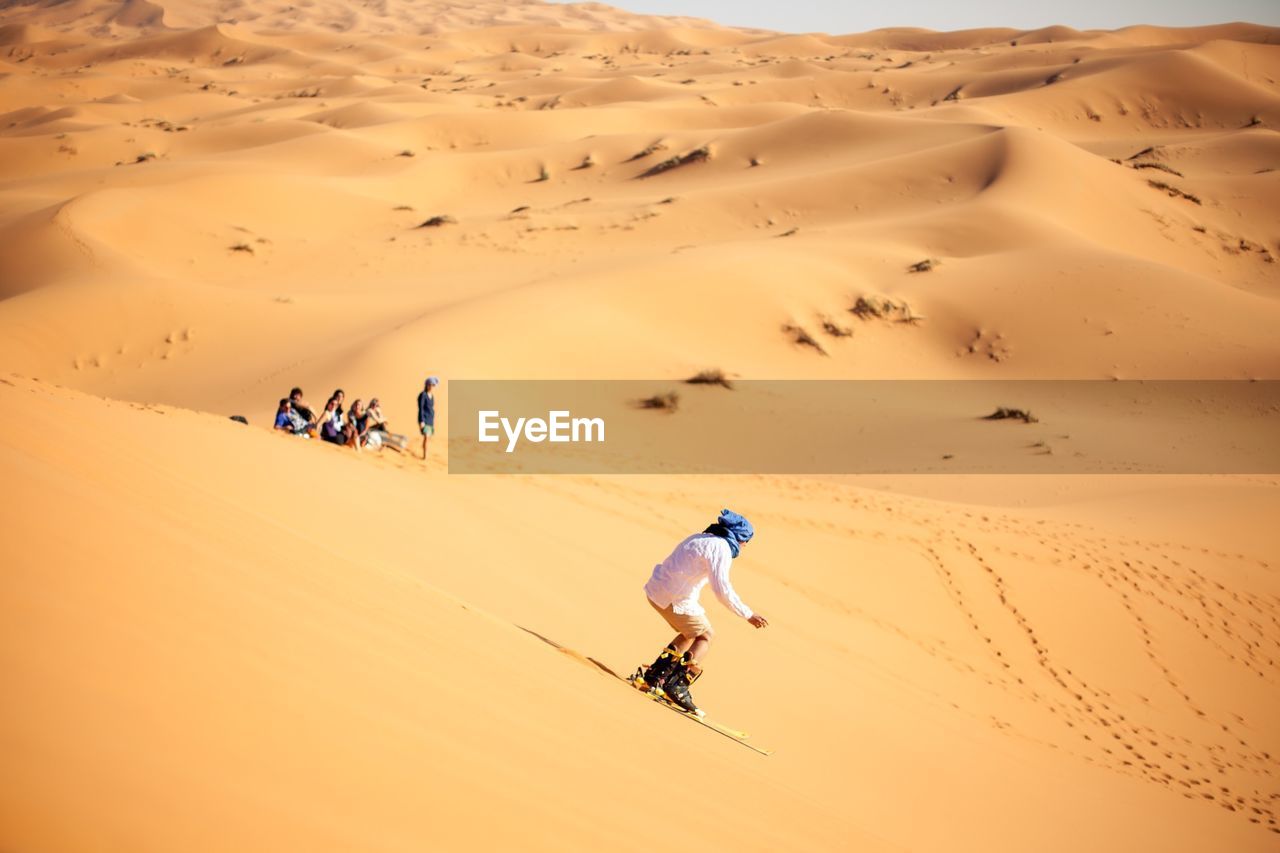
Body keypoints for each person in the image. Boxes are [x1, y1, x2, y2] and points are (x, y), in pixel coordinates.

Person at [634, 509, 768, 717]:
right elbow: (722, 589)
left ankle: (654, 677)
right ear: (737, 536)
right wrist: (748, 614)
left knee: (690, 632)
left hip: (655, 591)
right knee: (706, 635)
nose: (745, 545)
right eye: (745, 540)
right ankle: (677, 687)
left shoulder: (701, 536)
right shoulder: (721, 547)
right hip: (674, 598)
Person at [418, 376, 438, 459]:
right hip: (424, 419)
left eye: (433, 385)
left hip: (430, 419)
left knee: (427, 438)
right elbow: (421, 408)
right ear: (426, 385)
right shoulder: (423, 395)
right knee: (426, 437)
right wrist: (421, 420)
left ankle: (424, 451)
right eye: (430, 385)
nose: (431, 387)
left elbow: (431, 407)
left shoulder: (432, 396)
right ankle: (424, 456)